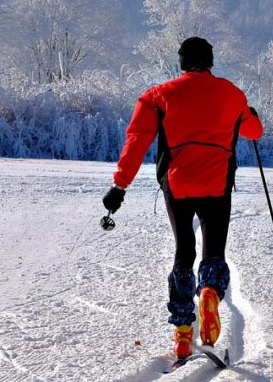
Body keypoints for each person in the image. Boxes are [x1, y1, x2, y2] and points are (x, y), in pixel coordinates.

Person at [102, 37, 262, 359]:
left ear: (181, 63)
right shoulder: (232, 94)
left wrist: (119, 187)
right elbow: (253, 132)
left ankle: (182, 333)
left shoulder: (158, 96)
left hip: (177, 185)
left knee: (183, 251)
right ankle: (209, 293)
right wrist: (252, 115)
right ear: (211, 62)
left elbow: (136, 141)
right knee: (213, 252)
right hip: (217, 184)